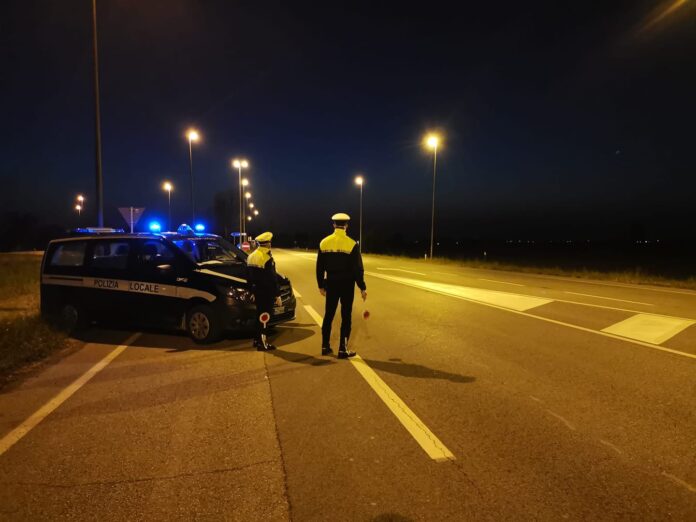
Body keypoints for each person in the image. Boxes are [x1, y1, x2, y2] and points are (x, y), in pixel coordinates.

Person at [316, 213, 367, 358]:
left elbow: (319, 267)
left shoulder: (324, 243)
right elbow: (358, 269)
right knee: (346, 315)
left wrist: (321, 285)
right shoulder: (351, 244)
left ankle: (325, 346)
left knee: (329, 315)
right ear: (346, 226)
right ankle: (342, 349)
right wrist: (362, 287)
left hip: (331, 282)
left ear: (333, 225)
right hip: (346, 284)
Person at [246, 231, 282, 351]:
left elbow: (248, 277)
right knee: (265, 317)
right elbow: (272, 278)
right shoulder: (266, 258)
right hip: (267, 292)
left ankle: (257, 340)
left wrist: (252, 291)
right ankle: (263, 343)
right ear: (268, 244)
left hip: (256, 291)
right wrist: (277, 294)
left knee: (259, 316)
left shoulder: (251, 256)